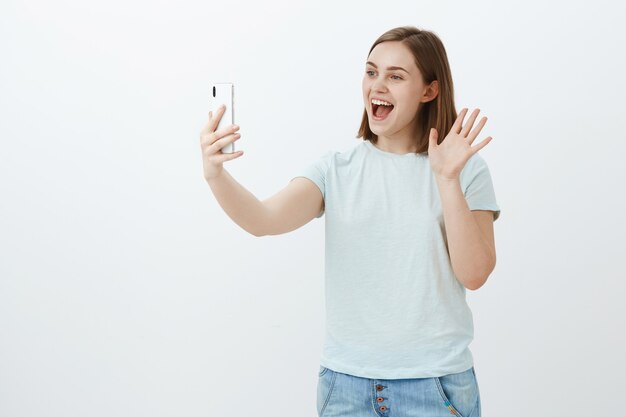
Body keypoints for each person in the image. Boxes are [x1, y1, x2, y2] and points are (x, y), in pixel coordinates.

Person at [200, 25, 499, 417]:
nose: (378, 86)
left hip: (435, 385)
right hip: (346, 387)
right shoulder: (336, 170)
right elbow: (263, 219)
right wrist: (215, 175)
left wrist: (446, 179)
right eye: (372, 72)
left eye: (396, 76)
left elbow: (474, 273)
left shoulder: (465, 170)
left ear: (429, 90)